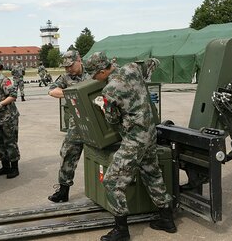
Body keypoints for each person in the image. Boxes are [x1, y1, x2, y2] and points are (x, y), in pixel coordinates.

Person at [83, 52, 176, 241]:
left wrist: (102, 106)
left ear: (102, 71)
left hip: (134, 138)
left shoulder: (109, 90)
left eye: (94, 75)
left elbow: (113, 119)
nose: (93, 79)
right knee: (152, 173)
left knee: (111, 181)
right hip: (150, 133)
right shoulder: (132, 68)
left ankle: (121, 231)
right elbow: (153, 63)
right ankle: (166, 219)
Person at [47, 50, 91, 203]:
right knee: (68, 154)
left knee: (102, 156)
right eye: (65, 67)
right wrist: (73, 93)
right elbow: (52, 90)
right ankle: (63, 191)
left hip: (99, 122)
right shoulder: (66, 77)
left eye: (70, 66)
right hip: (77, 123)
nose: (68, 69)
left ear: (79, 60)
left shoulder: (93, 72)